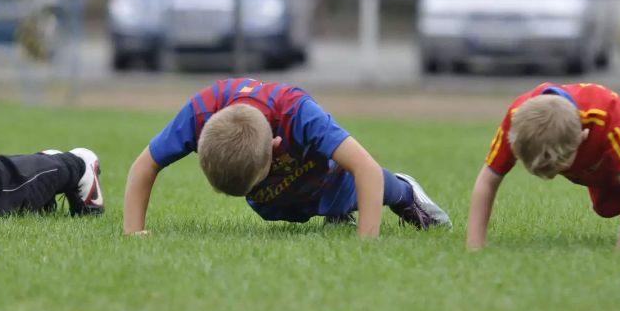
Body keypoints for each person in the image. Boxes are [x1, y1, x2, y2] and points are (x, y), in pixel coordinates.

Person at [123, 77, 451, 238]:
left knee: (354, 188)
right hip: (279, 192)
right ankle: (335, 214)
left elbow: (363, 167)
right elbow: (144, 166)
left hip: (325, 169)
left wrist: (367, 243)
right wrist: (133, 234)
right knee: (274, 208)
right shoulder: (199, 112)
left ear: (274, 145)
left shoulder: (297, 111)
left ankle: (405, 191)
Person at [467, 82, 620, 248]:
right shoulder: (520, 121)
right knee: (606, 206)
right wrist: (475, 249)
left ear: (583, 137)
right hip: (601, 167)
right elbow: (487, 181)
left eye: (561, 168)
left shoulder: (606, 115)